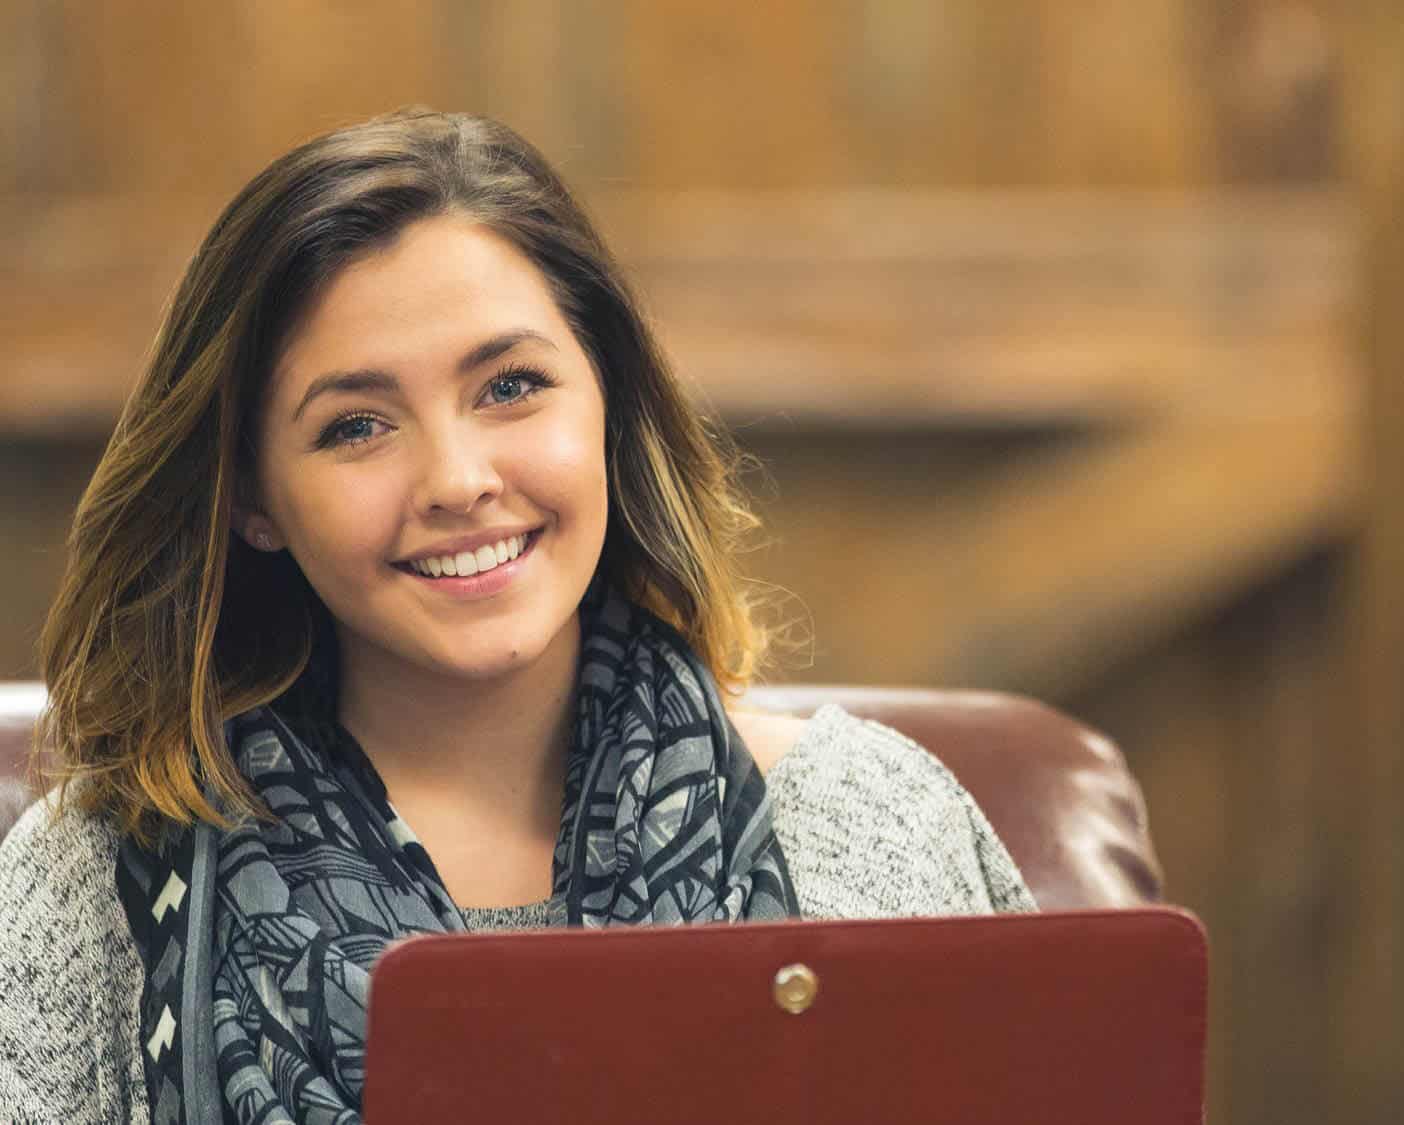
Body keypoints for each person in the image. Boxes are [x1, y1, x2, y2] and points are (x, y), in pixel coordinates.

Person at [0, 108, 1034, 1122]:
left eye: (511, 386)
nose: (457, 479)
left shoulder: (868, 819)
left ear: (609, 406)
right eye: (356, 426)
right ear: (252, 499)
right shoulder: (90, 883)